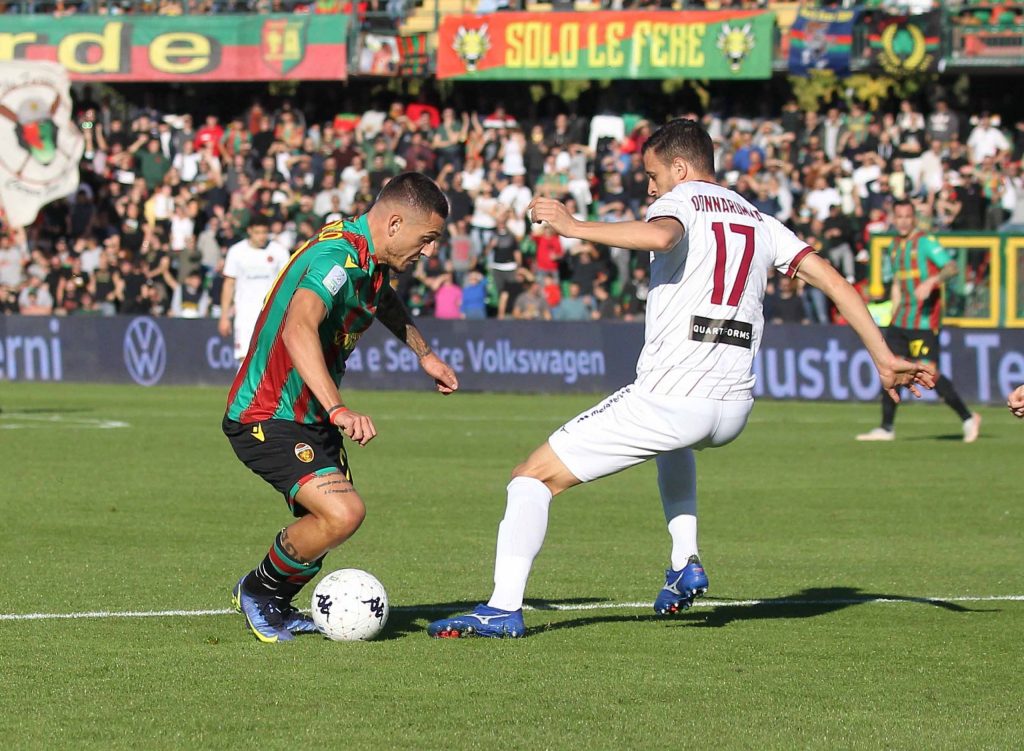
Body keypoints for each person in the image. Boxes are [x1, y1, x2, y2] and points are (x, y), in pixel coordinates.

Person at [426, 119, 936, 639]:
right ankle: (684, 560)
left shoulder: (681, 200)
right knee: (676, 444)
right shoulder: (759, 218)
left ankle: (501, 607)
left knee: (530, 479)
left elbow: (660, 233)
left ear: (680, 167)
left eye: (652, 174)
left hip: (672, 397)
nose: (649, 187)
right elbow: (832, 279)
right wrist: (883, 356)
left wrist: (575, 226)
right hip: (733, 409)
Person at [223, 172, 459, 643]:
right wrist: (338, 408)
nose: (429, 251)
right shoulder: (337, 258)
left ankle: (274, 598)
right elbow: (297, 328)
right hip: (268, 414)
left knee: (332, 522)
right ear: (394, 222)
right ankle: (257, 592)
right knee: (342, 514)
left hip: (308, 418)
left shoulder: (368, 260)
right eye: (427, 238)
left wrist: (424, 354)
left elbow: (382, 300)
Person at [856, 200, 981, 443]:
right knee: (890, 369)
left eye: (907, 216)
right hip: (900, 322)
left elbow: (952, 267)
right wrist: (892, 312)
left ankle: (968, 418)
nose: (903, 221)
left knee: (929, 373)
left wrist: (932, 282)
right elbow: (897, 286)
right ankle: (886, 427)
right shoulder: (894, 247)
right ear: (894, 218)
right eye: (899, 216)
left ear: (914, 218)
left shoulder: (925, 242)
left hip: (923, 322)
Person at [218, 217, 292, 364]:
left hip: (272, 312)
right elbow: (229, 284)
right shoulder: (236, 252)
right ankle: (245, 388)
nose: (262, 236)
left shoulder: (279, 252)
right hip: (245, 313)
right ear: (249, 231)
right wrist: (224, 316)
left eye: (265, 232)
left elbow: (288, 283)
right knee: (244, 358)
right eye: (257, 232)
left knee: (270, 358)